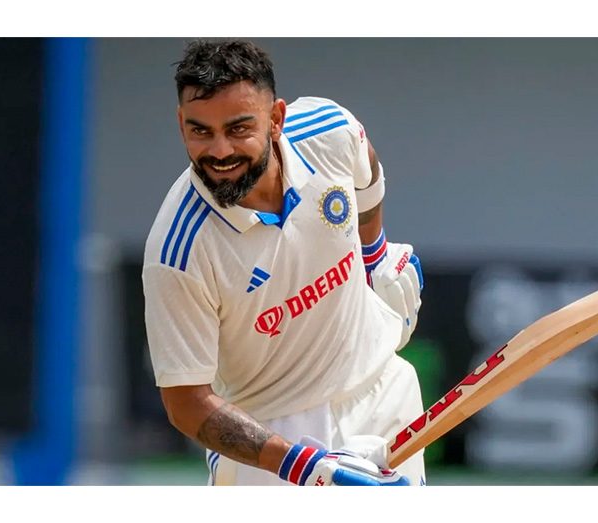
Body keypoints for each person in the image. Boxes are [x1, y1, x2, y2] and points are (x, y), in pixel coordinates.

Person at [142, 39, 426, 486]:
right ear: (181, 124)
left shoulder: (329, 131)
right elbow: (186, 403)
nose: (219, 151)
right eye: (201, 132)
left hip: (381, 388)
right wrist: (301, 465)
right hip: (272, 441)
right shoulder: (177, 252)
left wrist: (374, 257)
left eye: (238, 129)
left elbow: (366, 171)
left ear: (276, 119)